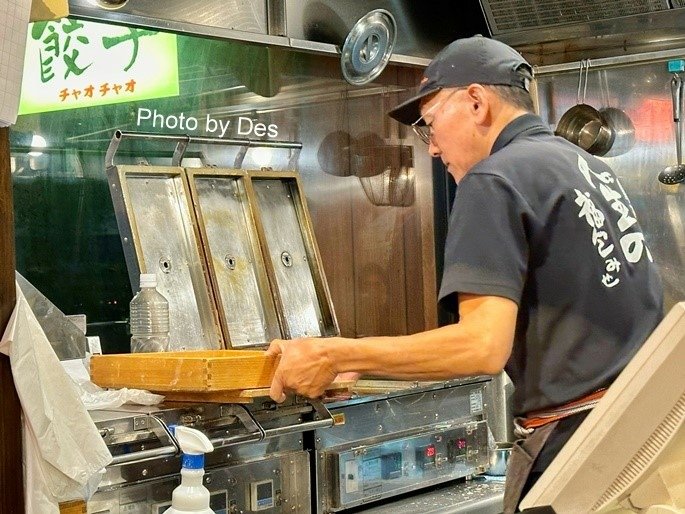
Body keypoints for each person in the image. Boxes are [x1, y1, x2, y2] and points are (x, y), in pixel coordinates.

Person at [266, 35, 663, 512]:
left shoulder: (494, 179)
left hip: (578, 447)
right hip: (644, 431)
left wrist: (334, 353)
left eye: (430, 123)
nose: (431, 148)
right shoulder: (583, 164)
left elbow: (481, 346)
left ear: (476, 102)